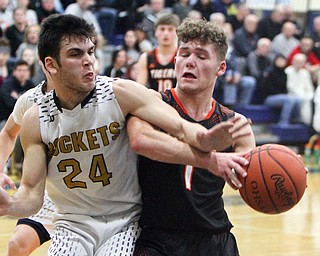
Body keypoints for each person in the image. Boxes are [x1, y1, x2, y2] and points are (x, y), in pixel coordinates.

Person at [0, 14, 251, 255]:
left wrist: (205, 140)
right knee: (18, 243)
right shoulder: (34, 112)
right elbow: (31, 190)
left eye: (91, 51)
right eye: (76, 54)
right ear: (50, 65)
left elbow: (185, 128)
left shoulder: (119, 93)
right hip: (76, 220)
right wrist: (9, 204)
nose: (89, 60)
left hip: (125, 221)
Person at [127, 18, 255, 256]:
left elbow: (248, 182)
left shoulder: (234, 124)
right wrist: (210, 158)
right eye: (184, 54)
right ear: (175, 61)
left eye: (201, 56)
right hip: (158, 239)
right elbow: (141, 140)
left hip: (215, 239)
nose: (190, 62)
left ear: (221, 67)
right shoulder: (151, 105)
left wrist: (278, 165)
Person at [0, 77, 55, 256]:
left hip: (91, 197)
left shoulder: (99, 96)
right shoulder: (31, 99)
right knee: (17, 244)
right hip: (50, 193)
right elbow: (8, 132)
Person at [136, 13, 179, 91]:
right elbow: (139, 89)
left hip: (178, 102)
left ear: (176, 32)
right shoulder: (146, 57)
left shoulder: (182, 56)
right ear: (156, 32)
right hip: (154, 101)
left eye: (170, 29)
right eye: (162, 29)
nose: (166, 33)